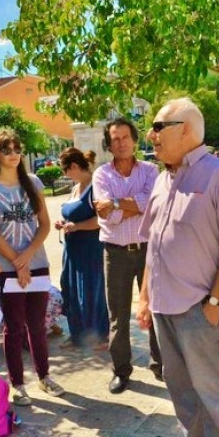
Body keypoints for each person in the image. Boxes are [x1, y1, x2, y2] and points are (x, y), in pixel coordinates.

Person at [137, 98, 219, 437]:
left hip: (200, 306)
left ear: (186, 129)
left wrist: (216, 302)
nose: (151, 135)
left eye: (158, 125)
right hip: (164, 304)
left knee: (212, 386)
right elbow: (154, 244)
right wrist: (145, 297)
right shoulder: (163, 178)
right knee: (179, 385)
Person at [0, 128, 65, 405]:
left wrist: (27, 257)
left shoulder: (34, 182)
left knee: (38, 325)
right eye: (7, 150)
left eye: (17, 149)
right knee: (13, 326)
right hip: (6, 267)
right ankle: (17, 383)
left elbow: (45, 225)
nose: (13, 155)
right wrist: (16, 263)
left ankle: (44, 376)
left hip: (36, 264)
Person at [92, 117, 163, 394]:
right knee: (117, 316)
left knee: (156, 309)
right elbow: (106, 217)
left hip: (148, 250)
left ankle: (161, 365)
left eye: (125, 137)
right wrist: (134, 204)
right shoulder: (101, 175)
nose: (121, 143)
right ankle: (121, 371)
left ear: (134, 140)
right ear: (109, 144)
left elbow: (153, 205)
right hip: (116, 253)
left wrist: (119, 202)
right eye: (115, 138)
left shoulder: (150, 170)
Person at [56, 148, 109, 350]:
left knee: (91, 292)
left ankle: (101, 335)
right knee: (70, 291)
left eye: (65, 170)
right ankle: (76, 335)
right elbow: (72, 214)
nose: (65, 175)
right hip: (72, 250)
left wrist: (76, 226)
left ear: (75, 166)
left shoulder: (96, 188)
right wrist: (64, 222)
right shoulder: (76, 187)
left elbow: (101, 219)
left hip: (90, 249)